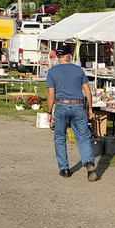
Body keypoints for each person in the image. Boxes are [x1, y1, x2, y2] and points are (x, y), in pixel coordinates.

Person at [46, 47, 97, 181]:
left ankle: (64, 168)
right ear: (68, 56)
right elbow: (88, 91)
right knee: (83, 137)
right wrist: (90, 108)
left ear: (58, 57)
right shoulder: (78, 70)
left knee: (60, 137)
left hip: (62, 105)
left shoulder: (52, 72)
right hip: (78, 104)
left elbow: (51, 94)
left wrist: (49, 111)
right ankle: (89, 163)